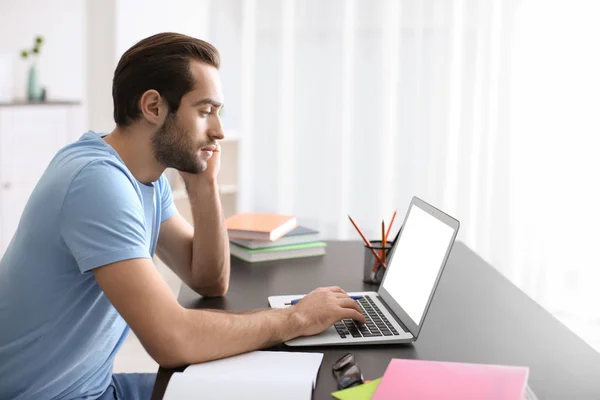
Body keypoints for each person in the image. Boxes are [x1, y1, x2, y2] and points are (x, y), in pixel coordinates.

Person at [0, 32, 365, 400]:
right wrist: (296, 318)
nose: (219, 131)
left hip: (93, 389)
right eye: (206, 111)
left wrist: (204, 186)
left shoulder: (141, 173)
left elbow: (207, 279)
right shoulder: (97, 183)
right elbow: (172, 339)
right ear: (154, 107)